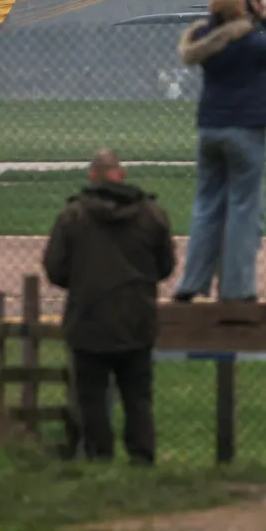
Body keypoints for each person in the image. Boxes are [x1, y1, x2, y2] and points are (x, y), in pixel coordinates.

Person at [42, 149, 177, 465]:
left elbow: (55, 268)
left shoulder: (72, 216)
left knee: (91, 398)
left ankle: (98, 455)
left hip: (88, 319)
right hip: (137, 320)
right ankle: (142, 458)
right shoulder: (152, 215)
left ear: (92, 176)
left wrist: (83, 284)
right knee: (138, 396)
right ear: (121, 174)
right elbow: (166, 267)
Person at [171, 0, 266, 303]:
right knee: (243, 210)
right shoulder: (248, 43)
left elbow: (215, 27)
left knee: (206, 207)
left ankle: (191, 282)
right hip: (245, 130)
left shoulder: (203, 39)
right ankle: (237, 289)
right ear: (240, 12)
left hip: (210, 129)